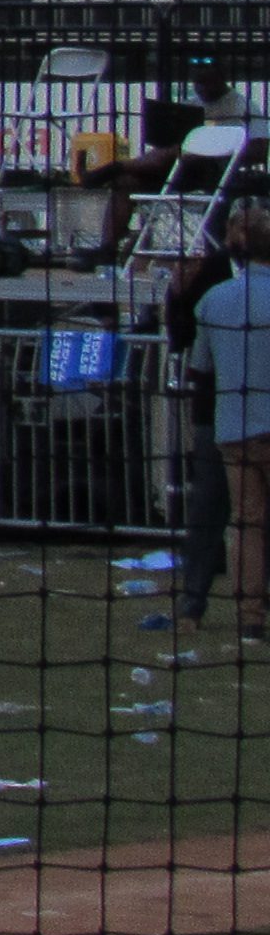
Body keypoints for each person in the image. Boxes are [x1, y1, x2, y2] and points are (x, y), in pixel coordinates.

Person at [191, 211, 270, 646]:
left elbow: (200, 366)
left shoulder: (214, 300)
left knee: (244, 525)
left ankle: (249, 617)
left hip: (233, 427)